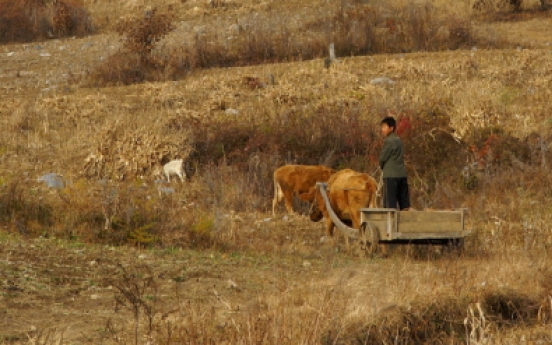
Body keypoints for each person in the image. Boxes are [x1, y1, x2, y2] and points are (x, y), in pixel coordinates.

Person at [379, 117, 410, 210]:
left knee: (390, 205)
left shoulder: (389, 141)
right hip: (402, 175)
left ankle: (391, 224)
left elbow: (382, 158)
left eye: (384, 127)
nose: (382, 129)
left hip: (391, 176)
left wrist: (381, 166)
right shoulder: (399, 140)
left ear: (391, 128)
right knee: (404, 205)